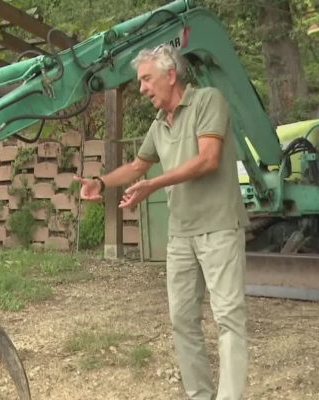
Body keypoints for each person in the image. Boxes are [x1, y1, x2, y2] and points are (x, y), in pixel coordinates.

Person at [74, 44, 250, 400]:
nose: (141, 89)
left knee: (229, 318)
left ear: (171, 75)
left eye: (146, 79)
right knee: (182, 320)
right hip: (181, 234)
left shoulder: (207, 102)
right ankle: (199, 394)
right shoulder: (159, 125)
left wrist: (154, 184)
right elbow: (138, 167)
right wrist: (103, 182)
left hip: (218, 227)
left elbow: (208, 159)